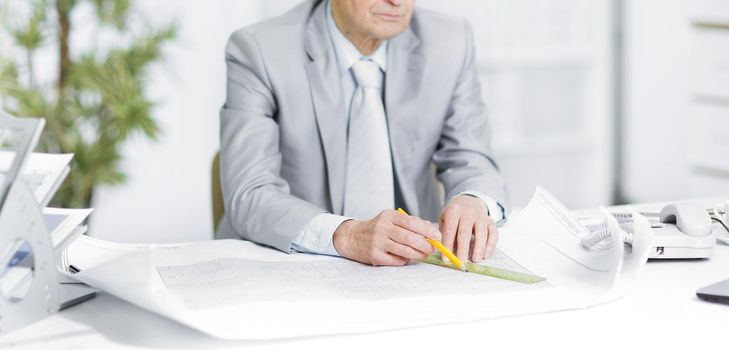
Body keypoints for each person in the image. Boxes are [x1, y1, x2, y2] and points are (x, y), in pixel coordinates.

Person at [217, 0, 508, 267]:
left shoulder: (450, 41)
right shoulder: (260, 50)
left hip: (413, 268)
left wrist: (473, 200)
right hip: (294, 263)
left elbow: (472, 158)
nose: (397, 2)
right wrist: (347, 235)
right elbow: (250, 192)